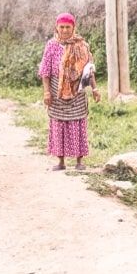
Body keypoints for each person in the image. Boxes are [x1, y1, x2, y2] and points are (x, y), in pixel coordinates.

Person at [38, 12, 101, 171]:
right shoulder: (52, 45)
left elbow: (88, 70)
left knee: (78, 123)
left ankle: (79, 161)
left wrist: (95, 89)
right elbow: (45, 71)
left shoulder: (81, 45)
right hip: (56, 92)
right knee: (58, 124)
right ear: (56, 28)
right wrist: (46, 92)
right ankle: (61, 162)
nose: (65, 30)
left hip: (77, 91)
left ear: (74, 27)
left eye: (68, 27)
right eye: (62, 27)